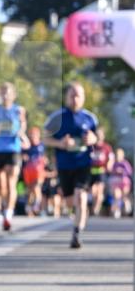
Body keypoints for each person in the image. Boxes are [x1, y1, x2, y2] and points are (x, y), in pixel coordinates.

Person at [43, 82, 98, 249]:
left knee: (80, 196)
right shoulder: (57, 117)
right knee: (70, 202)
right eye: (72, 95)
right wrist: (60, 143)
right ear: (66, 97)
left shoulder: (90, 118)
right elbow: (45, 138)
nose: (75, 99)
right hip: (65, 166)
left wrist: (92, 139)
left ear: (83, 98)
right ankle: (79, 216)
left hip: (83, 164)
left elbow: (96, 138)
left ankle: (77, 233)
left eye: (78, 95)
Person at [0, 82, 27, 232]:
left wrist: (20, 132)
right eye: (3, 92)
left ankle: (8, 214)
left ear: (13, 95)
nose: (5, 95)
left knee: (11, 182)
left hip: (12, 148)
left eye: (8, 92)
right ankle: (1, 207)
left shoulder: (18, 110)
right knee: (0, 185)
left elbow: (23, 125)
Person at [21, 125, 46, 216]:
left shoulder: (41, 145)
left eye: (35, 134)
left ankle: (37, 204)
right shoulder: (27, 146)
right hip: (28, 171)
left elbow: (43, 158)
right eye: (31, 134)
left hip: (38, 171)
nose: (33, 136)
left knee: (37, 187)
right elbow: (21, 154)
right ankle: (29, 207)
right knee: (30, 190)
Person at [89, 127, 114, 216]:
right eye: (97, 134)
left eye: (100, 134)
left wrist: (109, 164)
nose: (99, 136)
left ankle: (96, 210)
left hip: (101, 171)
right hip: (91, 172)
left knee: (99, 191)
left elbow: (111, 158)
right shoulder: (91, 146)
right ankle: (93, 208)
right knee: (93, 191)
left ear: (103, 136)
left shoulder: (107, 147)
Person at [108, 148, 133, 219]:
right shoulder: (114, 163)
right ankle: (117, 210)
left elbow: (129, 171)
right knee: (117, 196)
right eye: (117, 155)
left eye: (119, 155)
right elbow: (110, 170)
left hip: (124, 181)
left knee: (124, 195)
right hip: (116, 182)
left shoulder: (125, 163)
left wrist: (122, 171)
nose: (118, 157)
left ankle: (127, 205)